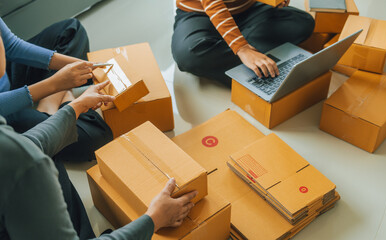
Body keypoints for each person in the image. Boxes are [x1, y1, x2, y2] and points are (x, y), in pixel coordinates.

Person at [0, 81, 197, 239]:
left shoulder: (18, 153)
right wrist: (154, 219)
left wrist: (74, 107)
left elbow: (31, 143)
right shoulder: (27, 166)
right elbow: (27, 151)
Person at [0, 17, 113, 163]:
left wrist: (84, 65)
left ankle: (51, 103)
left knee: (71, 29)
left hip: (7, 76)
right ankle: (57, 103)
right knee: (97, 136)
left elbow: (12, 46)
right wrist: (54, 84)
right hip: (4, 115)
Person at [172, 0, 315, 87]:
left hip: (248, 9)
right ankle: (249, 57)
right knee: (189, 55)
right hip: (199, 13)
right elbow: (212, 3)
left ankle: (227, 46)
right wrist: (242, 48)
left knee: (303, 22)